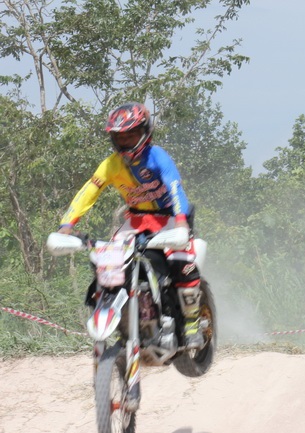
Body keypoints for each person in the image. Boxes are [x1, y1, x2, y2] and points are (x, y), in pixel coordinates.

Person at [57, 102, 204, 348]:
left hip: (171, 218)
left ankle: (191, 325)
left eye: (131, 135)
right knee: (108, 262)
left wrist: (181, 223)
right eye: (120, 137)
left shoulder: (158, 156)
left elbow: (175, 187)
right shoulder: (111, 165)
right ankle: (123, 317)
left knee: (183, 266)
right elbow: (88, 191)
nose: (125, 142)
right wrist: (67, 224)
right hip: (137, 220)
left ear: (145, 132)